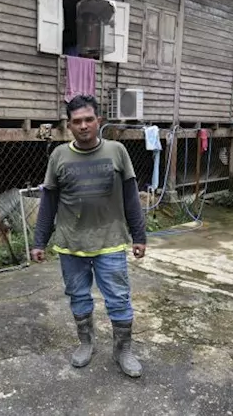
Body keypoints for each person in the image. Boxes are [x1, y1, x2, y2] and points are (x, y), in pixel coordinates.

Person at [31, 94, 148, 378]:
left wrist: (139, 235)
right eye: (76, 121)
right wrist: (39, 241)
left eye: (88, 119)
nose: (83, 126)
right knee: (78, 297)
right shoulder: (59, 156)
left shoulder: (117, 151)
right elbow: (48, 201)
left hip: (110, 240)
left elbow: (132, 196)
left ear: (99, 121)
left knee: (119, 298)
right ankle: (86, 343)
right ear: (68, 126)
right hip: (71, 243)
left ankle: (123, 350)